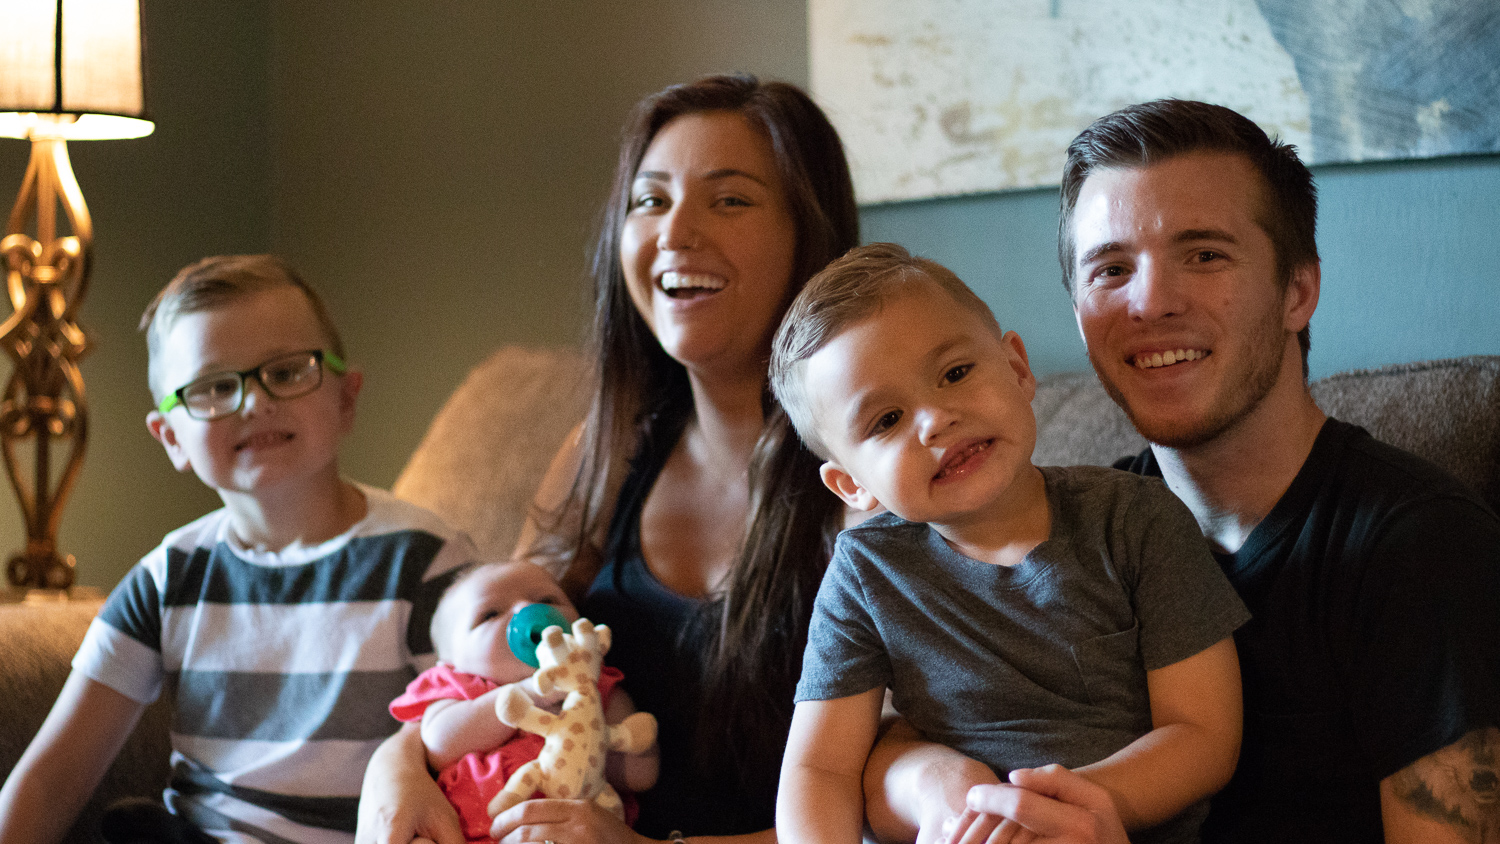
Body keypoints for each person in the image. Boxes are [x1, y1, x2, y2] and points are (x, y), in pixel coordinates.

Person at [872, 100, 1500, 844]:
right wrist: (945, 788)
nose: (1151, 303)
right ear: (1079, 314)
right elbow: (886, 742)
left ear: (1297, 291)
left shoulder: (1422, 547)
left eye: (1204, 255)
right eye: (1111, 269)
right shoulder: (1072, 527)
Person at [357, 74, 859, 844]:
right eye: (650, 200)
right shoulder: (609, 448)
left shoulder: (871, 473)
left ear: (809, 236)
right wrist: (394, 763)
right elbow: (494, 656)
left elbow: (887, 809)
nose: (674, 233)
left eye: (729, 199)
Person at [768, 243, 1246, 844]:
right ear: (852, 485)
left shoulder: (1136, 519)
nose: (935, 420)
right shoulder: (866, 574)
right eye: (886, 420)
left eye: (955, 374)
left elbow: (1203, 736)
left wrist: (1053, 810)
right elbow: (820, 769)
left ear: (1018, 369)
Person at [0, 255, 478, 844]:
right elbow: (49, 781)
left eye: (288, 371)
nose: (254, 402)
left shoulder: (426, 562)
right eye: (213, 387)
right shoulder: (167, 579)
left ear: (346, 400)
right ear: (171, 438)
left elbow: (480, 729)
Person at [389, 560, 658, 844]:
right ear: (451, 661)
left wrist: (589, 700)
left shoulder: (595, 685)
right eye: (490, 614)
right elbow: (439, 745)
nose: (527, 609)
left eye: (548, 600)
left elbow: (641, 774)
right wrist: (532, 692)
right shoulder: (459, 688)